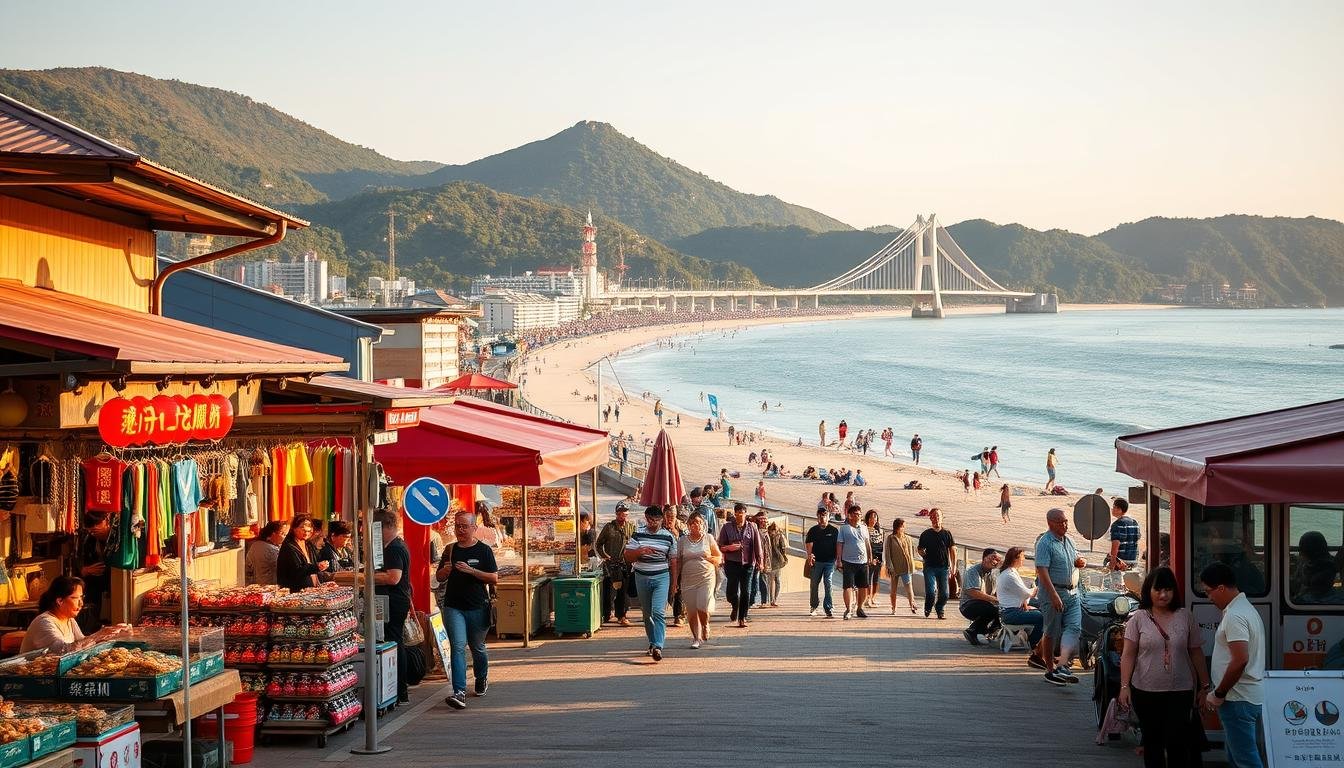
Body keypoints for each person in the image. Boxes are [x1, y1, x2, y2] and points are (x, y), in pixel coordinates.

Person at [1118, 566, 1211, 768]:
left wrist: (1205, 687)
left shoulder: (1185, 616)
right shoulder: (1138, 618)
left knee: (1177, 744)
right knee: (1153, 744)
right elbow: (1128, 654)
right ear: (1148, 591)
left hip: (1181, 691)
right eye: (1158, 590)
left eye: (1168, 590)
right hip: (1145, 690)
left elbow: (1196, 652)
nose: (1163, 594)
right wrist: (1124, 687)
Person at [1200, 561, 1265, 768]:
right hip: (1245, 697)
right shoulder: (1245, 609)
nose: (1209, 598)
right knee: (1236, 757)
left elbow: (1240, 660)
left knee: (1245, 759)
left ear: (1221, 588)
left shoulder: (1236, 616)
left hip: (1237, 699)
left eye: (1209, 592)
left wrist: (1219, 693)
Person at [437, 509, 499, 710]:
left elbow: (493, 578)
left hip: (477, 606)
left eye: (465, 526)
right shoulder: (450, 549)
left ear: (474, 528)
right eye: (457, 526)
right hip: (453, 606)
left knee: (477, 647)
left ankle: (481, 677)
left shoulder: (484, 551)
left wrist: (471, 571)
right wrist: (444, 572)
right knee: (457, 646)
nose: (460, 530)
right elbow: (439, 577)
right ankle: (459, 692)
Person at [1036, 507, 1088, 686]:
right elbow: (1041, 570)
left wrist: (1080, 562)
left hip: (1072, 592)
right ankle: (1050, 670)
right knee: (1051, 631)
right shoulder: (1045, 543)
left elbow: (1074, 559)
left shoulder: (1069, 541)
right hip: (1053, 594)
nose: (1065, 525)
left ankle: (1062, 663)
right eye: (1061, 522)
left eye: (1066, 521)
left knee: (1074, 627)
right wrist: (1053, 595)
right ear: (1050, 523)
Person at [624, 505, 680, 662]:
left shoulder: (669, 537)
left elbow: (674, 561)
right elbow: (628, 556)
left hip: (661, 577)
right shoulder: (638, 534)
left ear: (662, 519)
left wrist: (674, 583)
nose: (654, 523)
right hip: (642, 577)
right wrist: (639, 552)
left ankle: (658, 646)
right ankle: (652, 641)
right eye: (651, 520)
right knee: (647, 614)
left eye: (657, 520)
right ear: (646, 519)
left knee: (658, 612)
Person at [372, 509, 413, 704]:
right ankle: (397, 690)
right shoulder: (395, 545)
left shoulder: (395, 548)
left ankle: (400, 689)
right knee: (394, 641)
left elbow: (393, 577)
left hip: (394, 601)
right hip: (397, 599)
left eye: (376, 529)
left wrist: (365, 577)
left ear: (385, 527)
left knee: (394, 642)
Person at [996, 547, 1047, 668]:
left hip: (1010, 610)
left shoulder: (1010, 572)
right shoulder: (1010, 575)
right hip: (1011, 613)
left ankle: (1039, 642)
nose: (1024, 559)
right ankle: (1035, 645)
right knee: (1042, 617)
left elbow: (1022, 594)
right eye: (1022, 557)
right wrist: (1036, 588)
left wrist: (1026, 601)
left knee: (1039, 608)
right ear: (1016, 558)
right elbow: (1026, 593)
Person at [677, 511, 722, 649]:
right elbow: (678, 561)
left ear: (703, 524)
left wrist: (711, 559)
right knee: (691, 610)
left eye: (698, 522)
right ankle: (696, 638)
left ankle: (705, 624)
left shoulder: (708, 538)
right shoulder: (682, 540)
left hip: (706, 577)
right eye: (693, 523)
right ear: (688, 525)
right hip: (688, 579)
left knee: (702, 606)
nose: (696, 525)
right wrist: (674, 581)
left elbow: (718, 556)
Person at [718, 502, 766, 627]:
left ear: (746, 513)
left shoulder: (752, 527)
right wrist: (730, 547)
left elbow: (757, 546)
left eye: (743, 512)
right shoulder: (726, 527)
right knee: (731, 592)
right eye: (738, 512)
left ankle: (742, 617)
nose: (740, 515)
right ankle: (735, 605)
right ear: (735, 513)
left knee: (746, 591)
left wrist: (760, 562)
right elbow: (720, 546)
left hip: (748, 563)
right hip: (732, 563)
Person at [596, 501, 636, 626]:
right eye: (620, 514)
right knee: (609, 591)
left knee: (623, 592)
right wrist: (604, 556)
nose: (622, 516)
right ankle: (606, 614)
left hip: (625, 564)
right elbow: (598, 544)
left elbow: (636, 543)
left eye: (624, 514)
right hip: (610, 565)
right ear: (616, 514)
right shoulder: (609, 527)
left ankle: (622, 616)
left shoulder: (631, 527)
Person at [20, 575, 85, 653]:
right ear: (60, 601)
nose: (81, 603)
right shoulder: (43, 622)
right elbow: (62, 649)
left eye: (81, 597)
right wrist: (97, 636)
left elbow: (82, 642)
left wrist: (101, 637)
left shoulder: (70, 620)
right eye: (75, 598)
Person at [917, 508, 955, 619]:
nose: (936, 518)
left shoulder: (947, 534)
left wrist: (953, 566)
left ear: (942, 518)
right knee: (930, 592)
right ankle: (928, 607)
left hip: (943, 567)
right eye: (933, 516)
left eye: (938, 516)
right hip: (929, 567)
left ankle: (940, 609)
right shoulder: (925, 534)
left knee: (945, 594)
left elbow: (952, 550)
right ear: (930, 518)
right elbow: (920, 549)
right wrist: (923, 554)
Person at [77, 512, 111, 634]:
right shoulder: (88, 540)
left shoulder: (116, 538)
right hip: (93, 589)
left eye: (98, 523)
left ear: (106, 521)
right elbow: (78, 565)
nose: (95, 528)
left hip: (114, 586)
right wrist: (85, 570)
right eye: (91, 526)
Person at [960, 548, 1003, 645]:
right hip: (968, 605)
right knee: (992, 609)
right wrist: (995, 600)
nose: (993, 561)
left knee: (1000, 609)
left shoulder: (994, 573)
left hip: (985, 604)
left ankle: (991, 630)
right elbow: (973, 593)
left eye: (996, 559)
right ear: (984, 558)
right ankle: (972, 631)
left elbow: (997, 591)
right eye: (991, 558)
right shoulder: (973, 571)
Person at [836, 505, 872, 619]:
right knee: (848, 586)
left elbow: (867, 543)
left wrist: (870, 556)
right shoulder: (844, 528)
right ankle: (848, 608)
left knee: (863, 586)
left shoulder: (864, 527)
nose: (859, 516)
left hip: (863, 562)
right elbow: (840, 544)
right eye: (856, 514)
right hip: (848, 562)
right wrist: (839, 560)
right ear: (850, 516)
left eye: (860, 514)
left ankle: (860, 608)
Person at [276, 515, 327, 593]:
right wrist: (316, 567)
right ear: (294, 528)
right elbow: (296, 571)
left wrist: (322, 565)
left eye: (309, 530)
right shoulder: (289, 547)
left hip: (312, 590)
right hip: (296, 591)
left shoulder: (308, 544)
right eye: (303, 529)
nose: (306, 532)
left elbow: (315, 561)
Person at [805, 507, 839, 618]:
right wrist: (809, 556)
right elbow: (809, 543)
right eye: (820, 515)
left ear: (828, 516)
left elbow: (838, 546)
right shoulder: (813, 530)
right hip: (816, 562)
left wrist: (838, 560)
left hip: (829, 562)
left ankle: (828, 608)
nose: (822, 517)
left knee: (828, 583)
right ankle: (814, 605)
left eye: (824, 515)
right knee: (814, 584)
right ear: (817, 517)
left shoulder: (834, 531)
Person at [884, 518, 917, 615]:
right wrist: (889, 566)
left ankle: (912, 604)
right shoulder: (890, 538)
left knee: (909, 586)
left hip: (906, 566)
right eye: (901, 526)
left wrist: (912, 564)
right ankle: (893, 607)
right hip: (894, 568)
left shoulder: (908, 538)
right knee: (893, 589)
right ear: (897, 527)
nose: (903, 528)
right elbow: (887, 553)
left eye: (904, 526)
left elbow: (911, 552)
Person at [247, 521, 286, 586]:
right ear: (273, 534)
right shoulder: (271, 549)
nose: (285, 537)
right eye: (283, 534)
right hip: (270, 585)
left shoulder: (255, 545)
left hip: (256, 584)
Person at [1108, 497, 1141, 571]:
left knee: (1107, 560)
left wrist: (1113, 561)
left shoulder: (1116, 524)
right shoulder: (1134, 522)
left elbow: (1116, 544)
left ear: (1119, 510)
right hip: (1134, 560)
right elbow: (1137, 538)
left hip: (1122, 561)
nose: (1112, 509)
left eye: (1114, 507)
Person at [862, 509, 883, 609]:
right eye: (871, 517)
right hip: (870, 558)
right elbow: (865, 545)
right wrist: (870, 558)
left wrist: (882, 559)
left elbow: (881, 545)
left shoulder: (880, 530)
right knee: (868, 579)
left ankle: (873, 597)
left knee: (876, 579)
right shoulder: (865, 529)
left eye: (875, 517)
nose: (873, 519)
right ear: (867, 518)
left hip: (879, 558)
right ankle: (867, 599)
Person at [765, 520, 788, 608]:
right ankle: (774, 599)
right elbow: (783, 548)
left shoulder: (768, 535)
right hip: (777, 560)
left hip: (771, 560)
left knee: (772, 581)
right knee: (777, 580)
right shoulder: (779, 535)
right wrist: (784, 557)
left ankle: (772, 600)